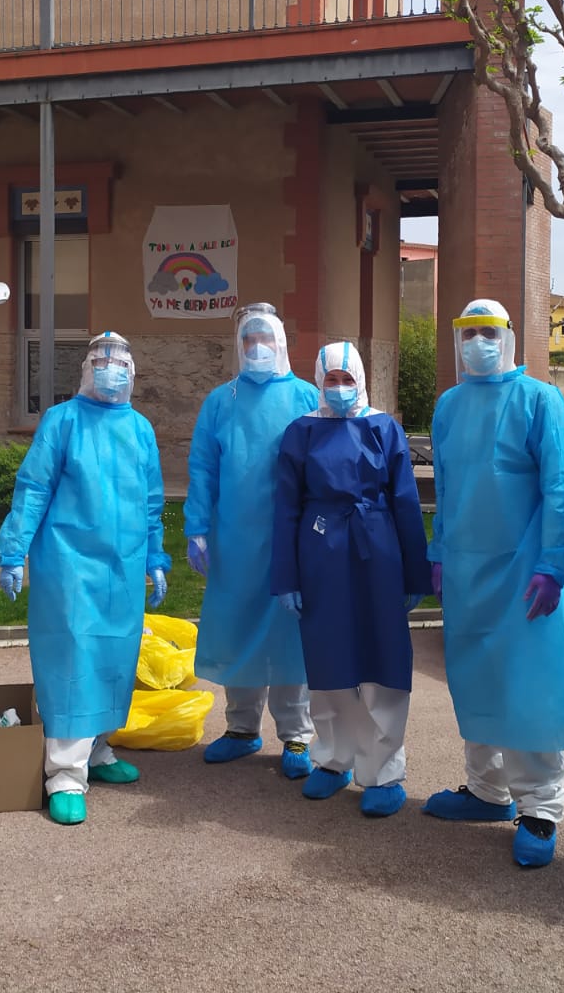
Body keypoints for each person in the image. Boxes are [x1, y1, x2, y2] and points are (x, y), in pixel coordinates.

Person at [422, 299, 564, 867]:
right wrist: (439, 550)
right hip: (468, 568)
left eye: (488, 332)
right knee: (478, 680)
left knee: (528, 686)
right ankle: (487, 790)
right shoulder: (449, 405)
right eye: (467, 333)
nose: (477, 343)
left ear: (509, 338)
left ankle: (540, 808)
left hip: (523, 570)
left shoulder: (539, 399)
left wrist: (553, 564)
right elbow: (445, 482)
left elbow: (563, 486)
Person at [0, 331, 171, 826]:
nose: (110, 369)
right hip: (69, 563)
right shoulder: (62, 421)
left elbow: (152, 501)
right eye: (101, 360)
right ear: (86, 368)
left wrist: (156, 556)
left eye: (120, 362)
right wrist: (14, 551)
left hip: (123, 564)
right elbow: (32, 488)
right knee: (73, 659)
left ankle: (97, 751)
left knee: (114, 657)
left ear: (132, 373)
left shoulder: (140, 429)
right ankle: (65, 775)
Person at [271, 341, 429, 817]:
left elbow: (405, 501)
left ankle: (382, 770)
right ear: (318, 381)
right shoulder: (301, 432)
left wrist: (413, 571)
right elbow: (285, 507)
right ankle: (333, 759)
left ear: (362, 379)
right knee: (328, 659)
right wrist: (287, 576)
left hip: (377, 550)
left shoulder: (384, 427)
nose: (339, 388)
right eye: (331, 380)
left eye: (347, 379)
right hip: (320, 552)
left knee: (383, 657)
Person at [185, 303, 321, 777]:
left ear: (282, 343)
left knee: (289, 637)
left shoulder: (307, 397)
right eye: (248, 340)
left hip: (292, 541)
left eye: (265, 339)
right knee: (238, 627)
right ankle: (242, 728)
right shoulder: (221, 401)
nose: (257, 348)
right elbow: (202, 468)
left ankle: (297, 736)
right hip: (234, 540)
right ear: (238, 346)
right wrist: (198, 529)